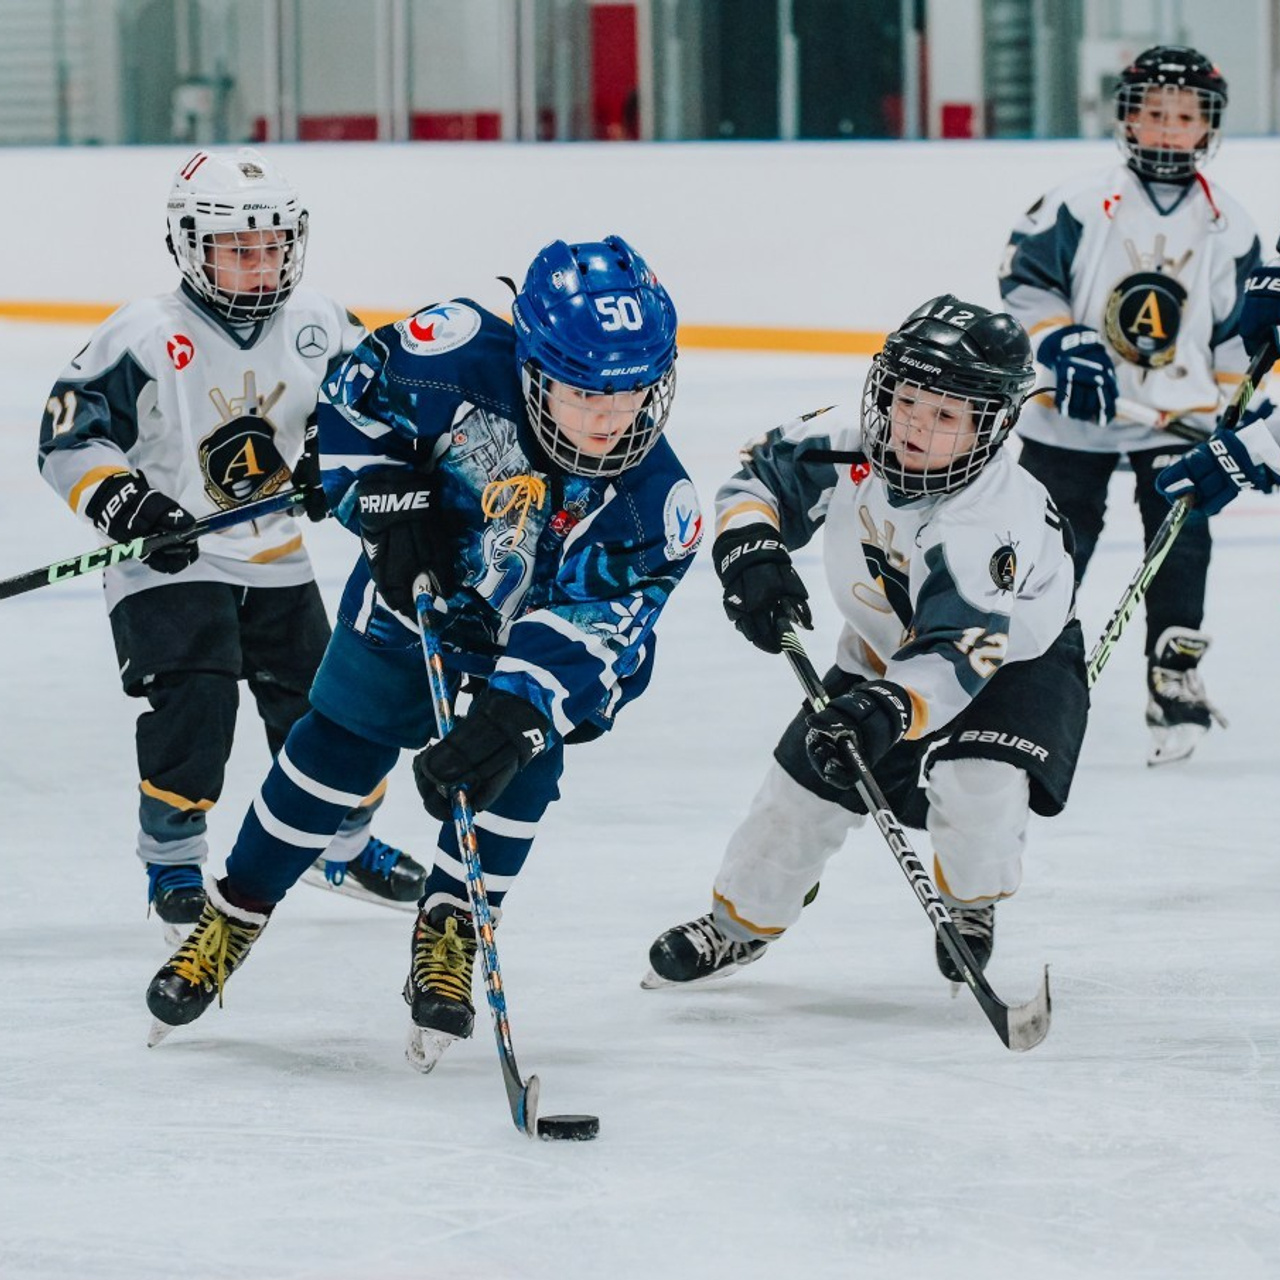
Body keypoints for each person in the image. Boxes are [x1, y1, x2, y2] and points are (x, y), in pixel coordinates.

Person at [143, 234, 701, 1055]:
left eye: (633, 396)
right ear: (532, 367)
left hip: (532, 643)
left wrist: (516, 713)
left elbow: (600, 627)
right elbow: (354, 393)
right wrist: (382, 488)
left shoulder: (658, 506)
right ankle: (236, 911)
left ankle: (452, 930)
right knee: (334, 748)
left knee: (516, 769)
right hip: (416, 605)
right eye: (585, 396)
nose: (611, 422)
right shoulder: (456, 355)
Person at [645, 296, 1087, 991]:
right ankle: (739, 927)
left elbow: (956, 649)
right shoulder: (846, 443)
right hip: (883, 649)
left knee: (978, 788)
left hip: (1010, 668)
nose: (914, 425)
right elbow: (758, 476)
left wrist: (882, 709)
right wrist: (753, 552)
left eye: (945, 416)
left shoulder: (988, 520)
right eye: (907, 400)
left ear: (989, 428)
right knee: (800, 792)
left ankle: (970, 904)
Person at [37, 147, 423, 942]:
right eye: (237, 247)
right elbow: (68, 437)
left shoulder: (321, 323)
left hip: (277, 556)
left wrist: (334, 463)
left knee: (335, 711)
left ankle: (340, 847)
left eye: (272, 245)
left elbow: (377, 414)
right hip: (168, 561)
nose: (259, 263)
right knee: (197, 706)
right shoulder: (146, 332)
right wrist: (129, 506)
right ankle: (174, 860)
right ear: (188, 242)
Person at [998, 45, 1261, 765]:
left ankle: (1172, 671)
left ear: (1207, 128)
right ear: (1127, 119)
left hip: (1174, 413)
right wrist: (1060, 345)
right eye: (1153, 113)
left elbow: (1243, 334)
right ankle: (1027, 662)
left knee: (1181, 537)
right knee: (1055, 538)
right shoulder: (1081, 202)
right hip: (1074, 406)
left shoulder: (1230, 224)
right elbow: (1025, 282)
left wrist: (1233, 403)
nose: (1168, 128)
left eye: (1185, 116)